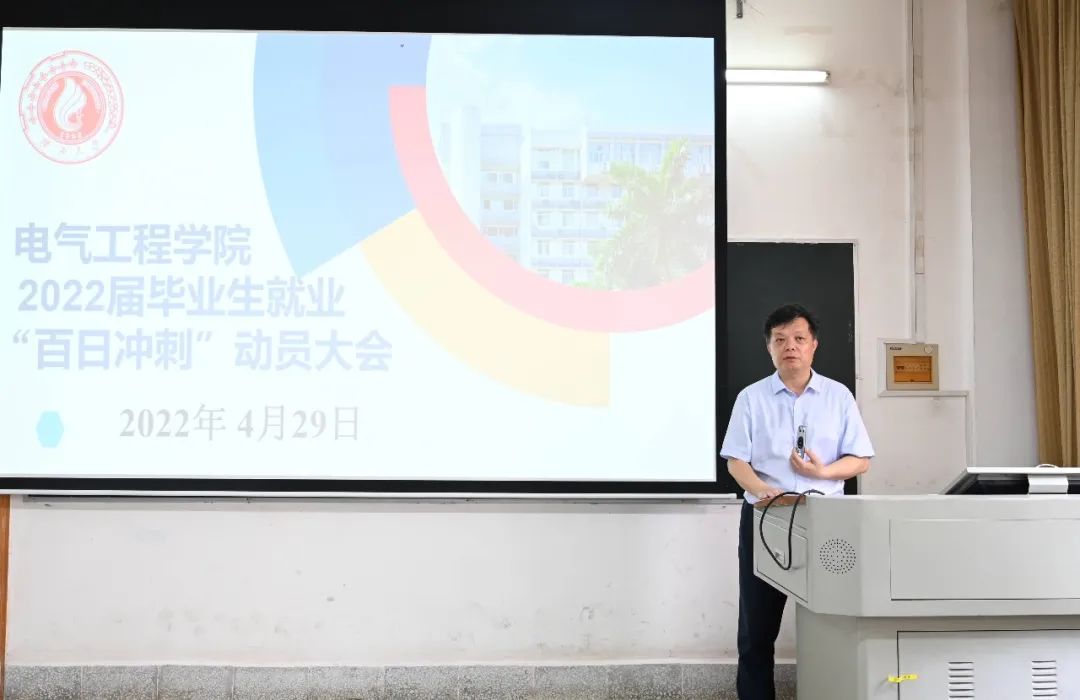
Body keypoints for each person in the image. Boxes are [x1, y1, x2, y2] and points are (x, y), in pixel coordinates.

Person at [719, 303, 874, 700]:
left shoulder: (838, 396)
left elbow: (860, 460)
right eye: (780, 340)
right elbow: (736, 460)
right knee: (756, 629)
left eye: (799, 338)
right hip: (766, 519)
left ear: (813, 345)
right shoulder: (751, 398)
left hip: (827, 522)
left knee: (835, 625)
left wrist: (822, 473)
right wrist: (761, 489)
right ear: (769, 348)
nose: (790, 346)